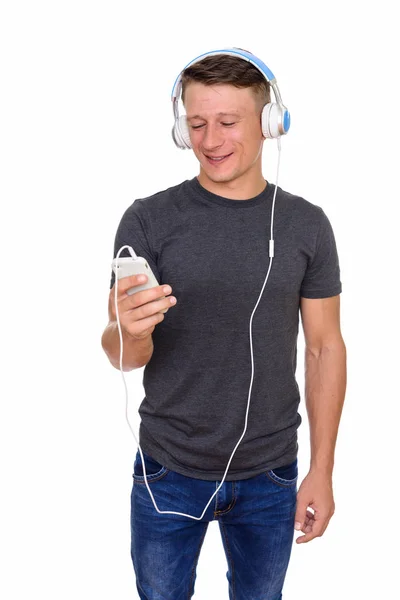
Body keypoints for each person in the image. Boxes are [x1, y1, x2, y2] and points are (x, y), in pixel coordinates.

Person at [101, 48, 347, 600]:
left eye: (229, 122)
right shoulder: (148, 218)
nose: (211, 141)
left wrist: (322, 469)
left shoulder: (307, 225)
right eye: (196, 124)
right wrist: (132, 331)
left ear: (269, 124)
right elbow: (121, 352)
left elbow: (324, 348)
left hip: (272, 474)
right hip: (168, 469)